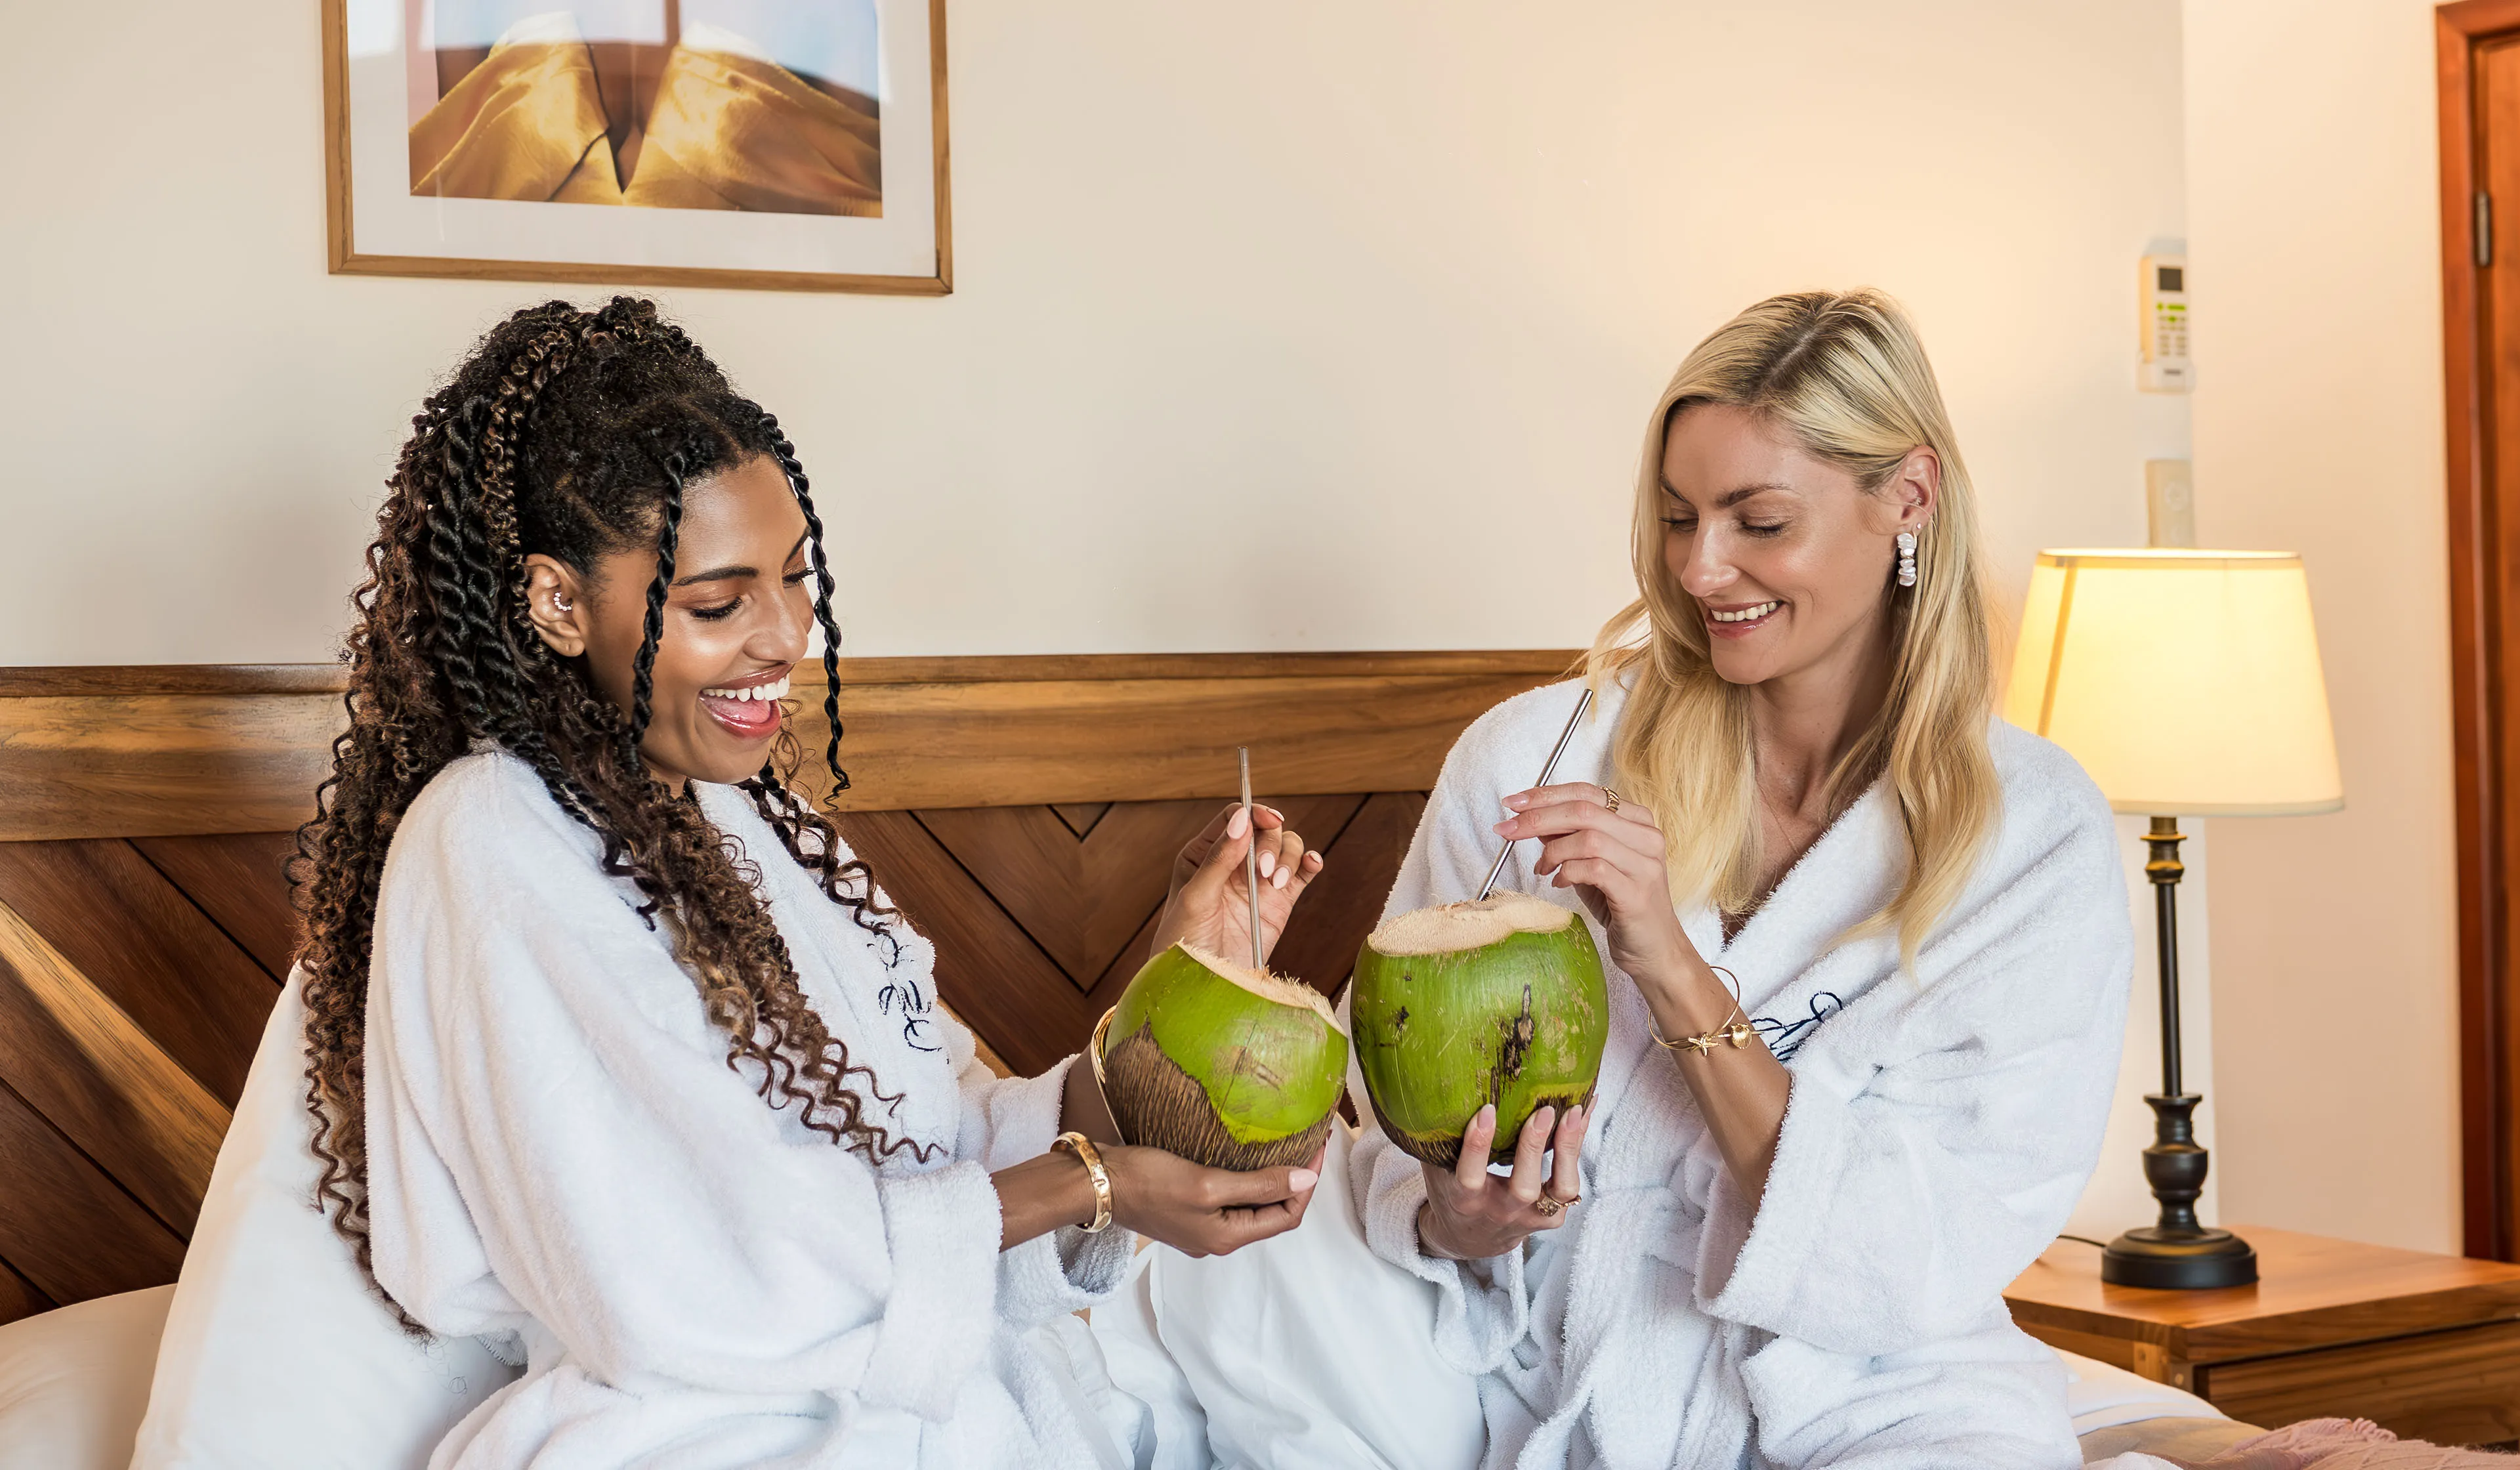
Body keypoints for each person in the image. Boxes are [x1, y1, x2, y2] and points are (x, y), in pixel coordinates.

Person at [1105, 289, 2133, 1469]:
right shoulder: (1540, 754)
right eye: (1678, 516)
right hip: (1524, 1346)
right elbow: (1396, 1135)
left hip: (1855, 1378)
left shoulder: (2030, 837)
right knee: (1232, 1287)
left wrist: (1668, 960)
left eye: (1757, 521)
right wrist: (1459, 1219)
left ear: (1907, 497)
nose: (1700, 570)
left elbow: (1924, 1249)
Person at [290, 297, 1322, 1469]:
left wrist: (1172, 993)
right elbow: (689, 1269)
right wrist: (1095, 1187)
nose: (785, 637)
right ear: (558, 603)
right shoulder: (488, 839)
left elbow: (940, 1138)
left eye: (794, 578)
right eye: (720, 603)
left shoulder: (750, 830)